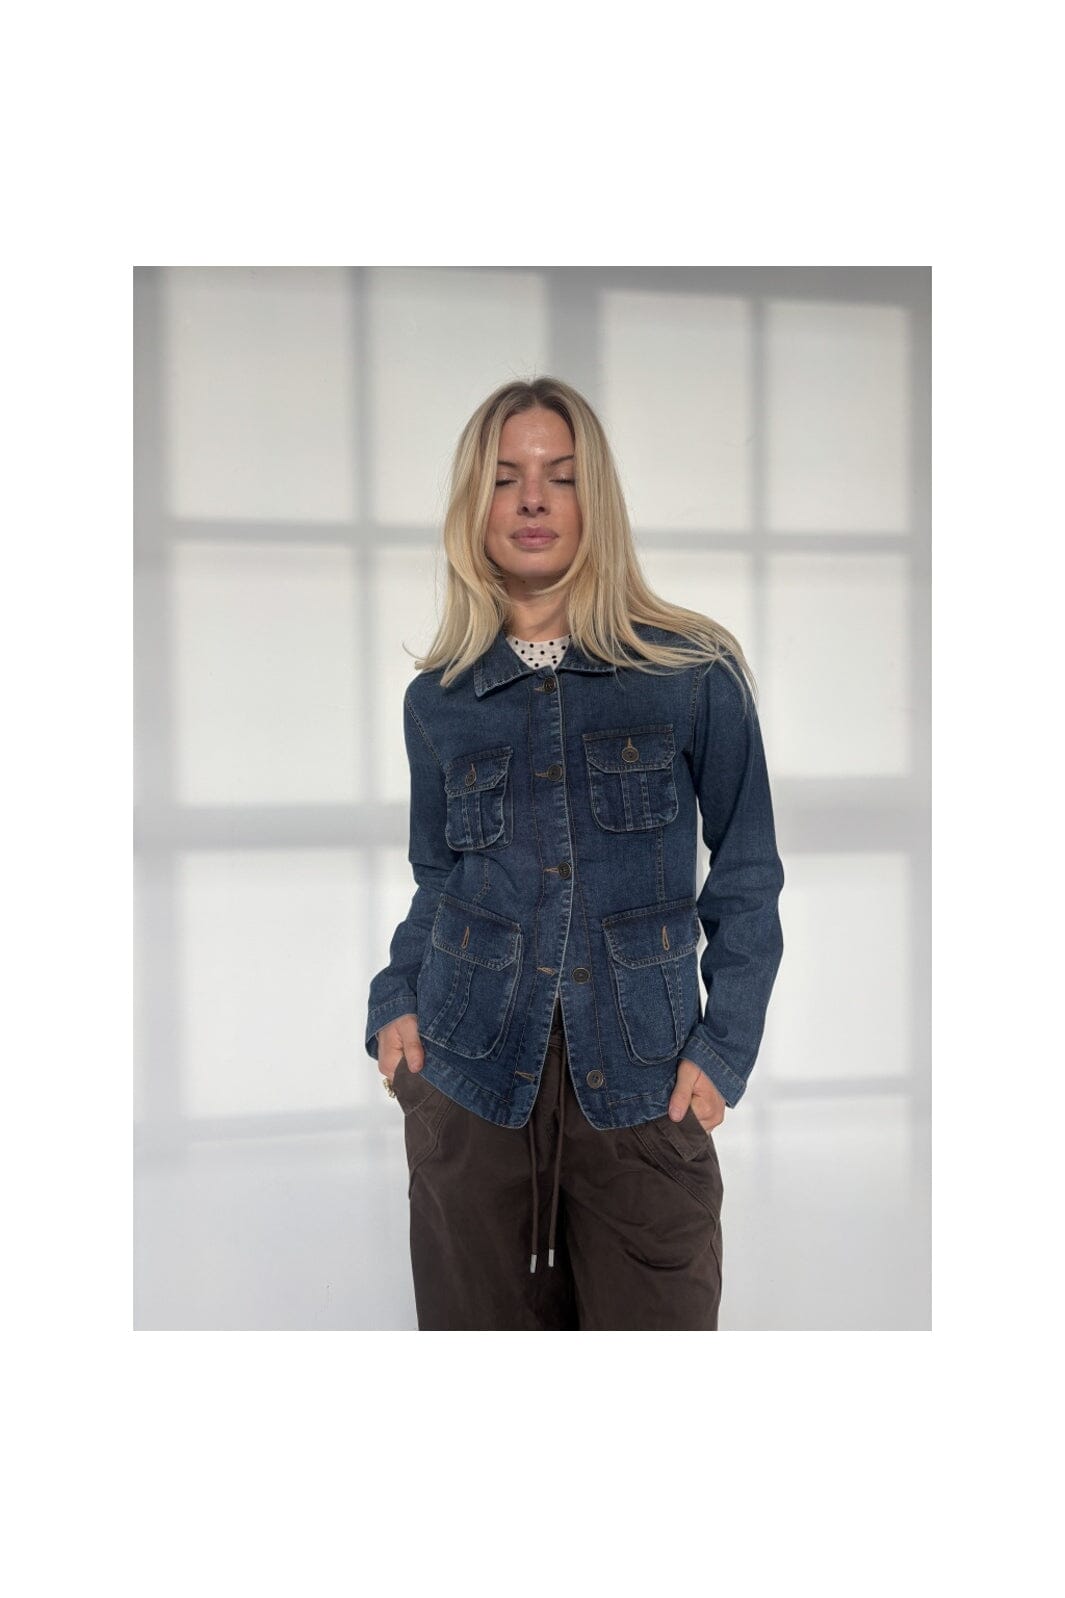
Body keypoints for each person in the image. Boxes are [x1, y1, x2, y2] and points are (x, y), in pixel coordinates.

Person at [365, 376, 784, 1331]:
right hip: (466, 1083)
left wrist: (723, 1048)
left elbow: (747, 874)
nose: (532, 499)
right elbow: (438, 878)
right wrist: (395, 1002)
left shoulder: (691, 673)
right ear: (475, 507)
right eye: (504, 477)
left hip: (644, 1091)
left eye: (559, 475)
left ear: (595, 499)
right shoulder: (438, 700)